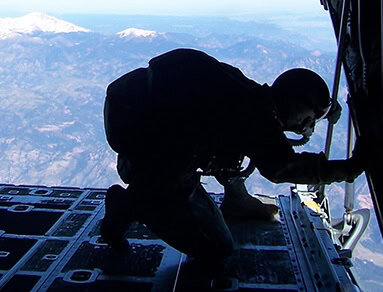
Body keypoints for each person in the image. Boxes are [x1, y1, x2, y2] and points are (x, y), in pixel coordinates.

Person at [100, 48, 366, 264]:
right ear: (296, 105)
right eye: (307, 119)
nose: (306, 127)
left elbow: (234, 150)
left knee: (218, 149)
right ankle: (127, 203)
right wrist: (349, 168)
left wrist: (325, 108)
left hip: (139, 123)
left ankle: (234, 199)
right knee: (216, 248)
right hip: (154, 151)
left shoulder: (250, 98)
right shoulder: (254, 115)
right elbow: (282, 167)